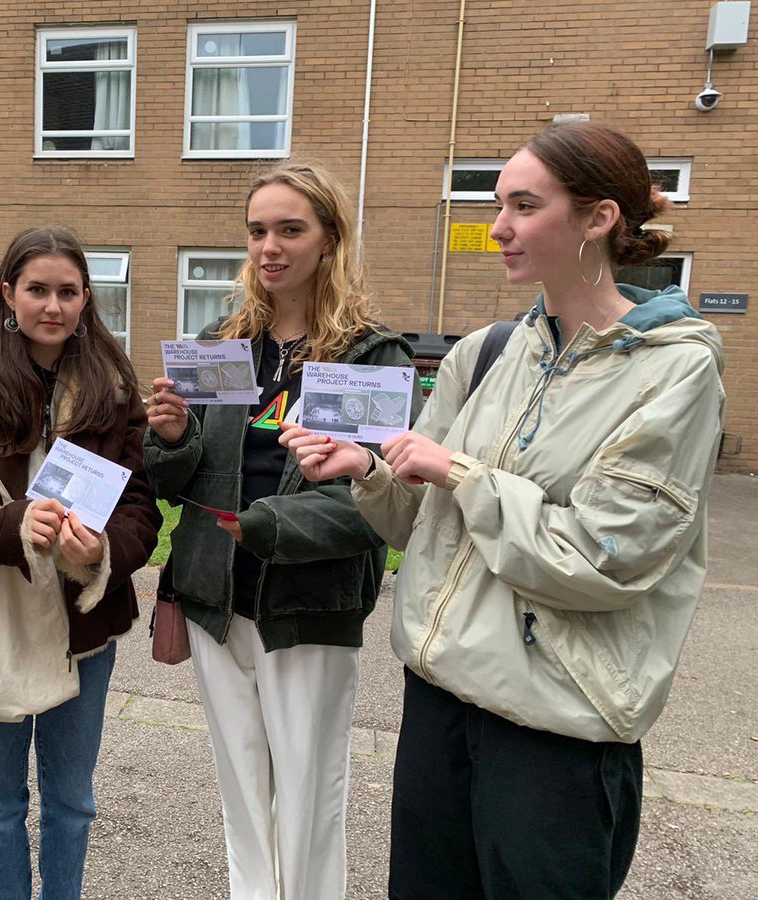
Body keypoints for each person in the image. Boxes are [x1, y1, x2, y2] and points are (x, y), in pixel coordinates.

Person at [281, 122, 727, 899]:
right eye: (498, 204)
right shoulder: (486, 350)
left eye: (524, 205)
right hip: (439, 700)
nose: (498, 228)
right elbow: (410, 526)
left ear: (599, 219)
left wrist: (460, 472)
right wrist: (371, 474)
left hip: (556, 726)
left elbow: (601, 561)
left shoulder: (675, 375)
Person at [144, 162, 421, 900]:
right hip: (215, 599)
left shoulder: (370, 356)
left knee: (306, 800)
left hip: (309, 607)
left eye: (289, 229)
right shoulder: (224, 343)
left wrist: (263, 527)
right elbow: (178, 481)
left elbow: (372, 504)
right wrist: (170, 438)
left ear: (329, 238)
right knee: (241, 791)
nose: (269, 246)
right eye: (258, 230)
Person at [0, 225, 161, 900]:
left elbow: (141, 508)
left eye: (68, 292)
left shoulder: (113, 389)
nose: (53, 305)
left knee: (73, 805)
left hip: (83, 625)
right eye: (38, 289)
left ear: (86, 300)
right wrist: (10, 524)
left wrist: (104, 552)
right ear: (8, 294)